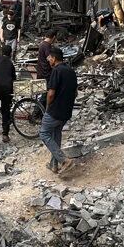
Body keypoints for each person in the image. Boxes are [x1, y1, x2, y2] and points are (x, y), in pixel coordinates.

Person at [40, 45, 78, 173]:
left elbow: (51, 94)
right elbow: (76, 92)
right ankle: (53, 165)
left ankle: (64, 160)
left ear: (54, 58)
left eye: (49, 57)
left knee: (44, 133)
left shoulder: (56, 71)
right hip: (66, 111)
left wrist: (47, 107)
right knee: (56, 135)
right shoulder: (71, 71)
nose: (48, 59)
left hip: (55, 110)